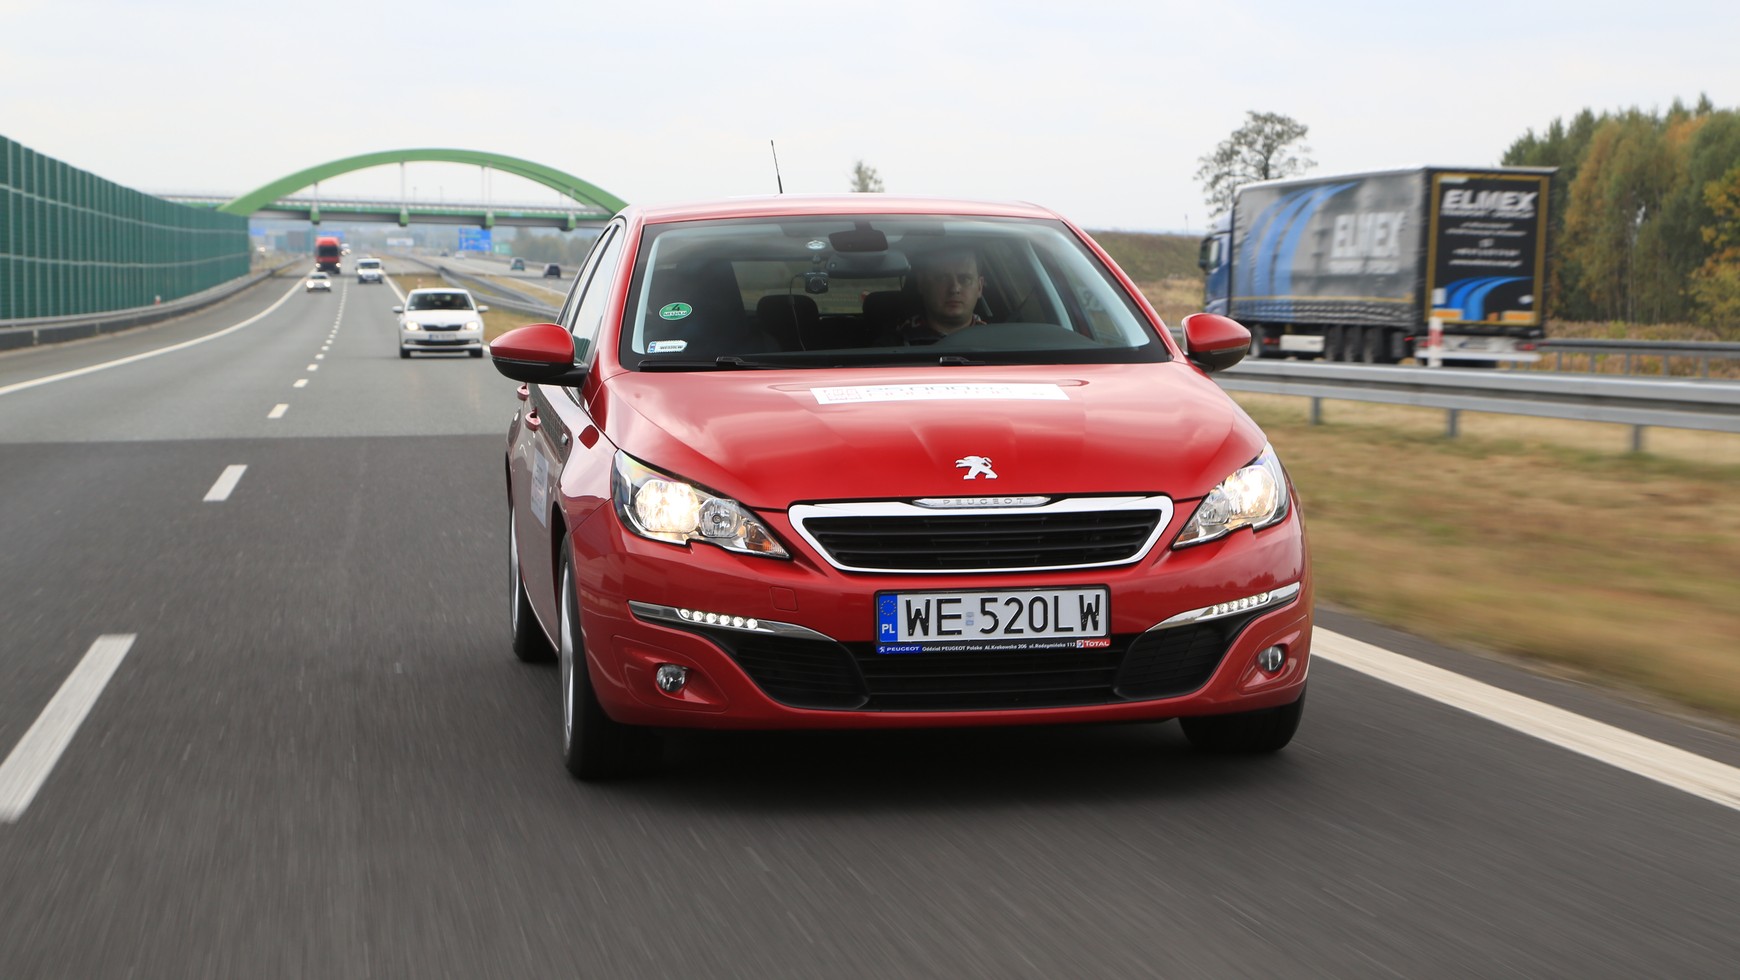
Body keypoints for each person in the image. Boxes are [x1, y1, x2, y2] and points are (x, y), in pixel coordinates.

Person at [879, 247, 987, 344]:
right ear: (921, 283)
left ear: (979, 287)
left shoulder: (994, 339)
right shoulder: (892, 345)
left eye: (965, 279)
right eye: (943, 278)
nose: (954, 289)